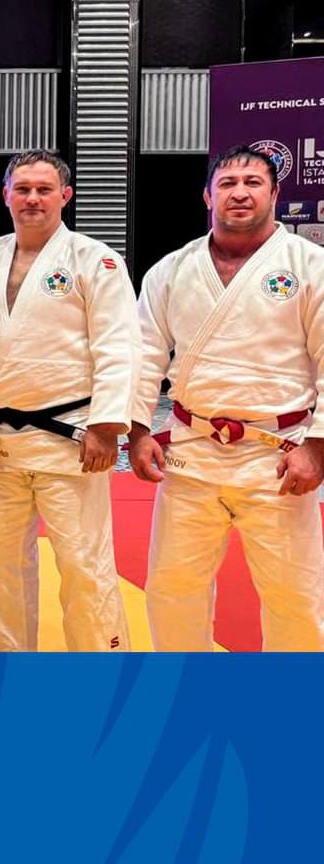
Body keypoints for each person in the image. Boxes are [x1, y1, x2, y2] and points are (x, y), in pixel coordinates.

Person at [130, 145, 324, 650]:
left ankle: (293, 691)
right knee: (173, 589)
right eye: (227, 183)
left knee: (295, 595)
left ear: (275, 194)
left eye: (253, 182)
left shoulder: (310, 265)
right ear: (207, 196)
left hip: (278, 455)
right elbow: (144, 356)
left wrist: (317, 447)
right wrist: (137, 430)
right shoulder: (171, 269)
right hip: (191, 451)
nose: (239, 192)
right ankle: (184, 687)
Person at [0, 150, 140, 651]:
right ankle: (15, 662)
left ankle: (98, 668)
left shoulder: (94, 259)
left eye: (44, 189)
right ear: (6, 196)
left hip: (72, 440)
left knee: (83, 564)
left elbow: (119, 343)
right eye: (23, 189)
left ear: (65, 195)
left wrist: (107, 424)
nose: (32, 198)